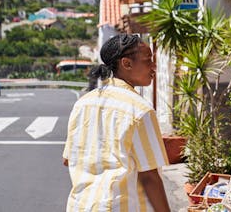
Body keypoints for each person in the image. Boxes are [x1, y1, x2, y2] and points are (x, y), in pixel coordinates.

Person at [62, 33, 171, 212]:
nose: (154, 66)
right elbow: (150, 177)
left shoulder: (83, 103)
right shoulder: (141, 110)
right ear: (126, 63)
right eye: (148, 60)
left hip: (80, 206)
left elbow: (68, 159)